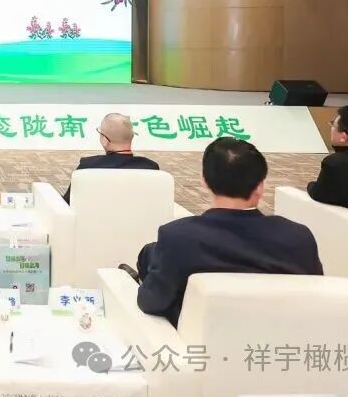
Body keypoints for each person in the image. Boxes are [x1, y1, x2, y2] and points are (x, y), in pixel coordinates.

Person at [134, 137, 323, 327]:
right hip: (283, 337)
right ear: (260, 186)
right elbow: (318, 298)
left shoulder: (179, 237)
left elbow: (151, 302)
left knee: (150, 255)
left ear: (205, 181)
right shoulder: (299, 238)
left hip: (200, 338)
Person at [62, 112, 158, 204]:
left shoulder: (88, 167)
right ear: (132, 137)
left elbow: (66, 203)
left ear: (105, 140)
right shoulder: (151, 168)